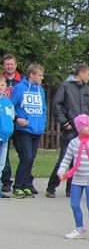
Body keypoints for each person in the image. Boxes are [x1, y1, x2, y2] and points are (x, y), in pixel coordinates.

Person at [56, 114, 89, 242]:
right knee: (74, 204)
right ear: (79, 128)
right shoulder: (73, 143)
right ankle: (79, 229)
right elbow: (67, 159)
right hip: (77, 179)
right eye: (86, 126)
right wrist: (61, 171)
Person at [47, 64, 89, 199]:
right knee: (64, 158)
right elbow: (57, 105)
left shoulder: (87, 89)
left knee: (78, 160)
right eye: (88, 74)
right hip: (70, 128)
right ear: (81, 73)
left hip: (83, 130)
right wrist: (64, 122)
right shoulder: (66, 86)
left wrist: (88, 123)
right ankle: (51, 187)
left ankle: (70, 188)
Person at [10, 63, 48, 198]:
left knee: (31, 158)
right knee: (25, 157)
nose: (42, 77)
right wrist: (17, 119)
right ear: (32, 75)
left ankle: (26, 185)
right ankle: (17, 186)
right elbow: (10, 106)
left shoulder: (40, 90)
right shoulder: (19, 88)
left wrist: (43, 123)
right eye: (40, 75)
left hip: (36, 130)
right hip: (24, 130)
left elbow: (43, 108)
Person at [1, 53, 22, 196]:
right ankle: (6, 182)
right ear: (3, 65)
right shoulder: (1, 79)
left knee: (22, 153)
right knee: (4, 157)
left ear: (15, 65)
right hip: (3, 127)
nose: (10, 66)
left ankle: (24, 181)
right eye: (7, 64)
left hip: (14, 123)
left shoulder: (21, 82)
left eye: (12, 64)